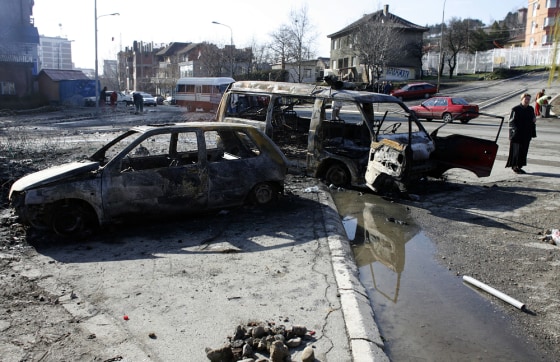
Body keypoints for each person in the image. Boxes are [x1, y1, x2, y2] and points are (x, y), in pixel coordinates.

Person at [506, 93, 537, 174]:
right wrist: (514, 132)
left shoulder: (530, 109)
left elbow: (533, 118)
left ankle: (519, 166)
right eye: (526, 99)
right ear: (522, 99)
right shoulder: (515, 109)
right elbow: (511, 123)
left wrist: (534, 119)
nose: (527, 101)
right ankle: (515, 166)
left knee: (524, 151)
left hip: (527, 134)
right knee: (516, 151)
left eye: (528, 99)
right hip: (517, 135)